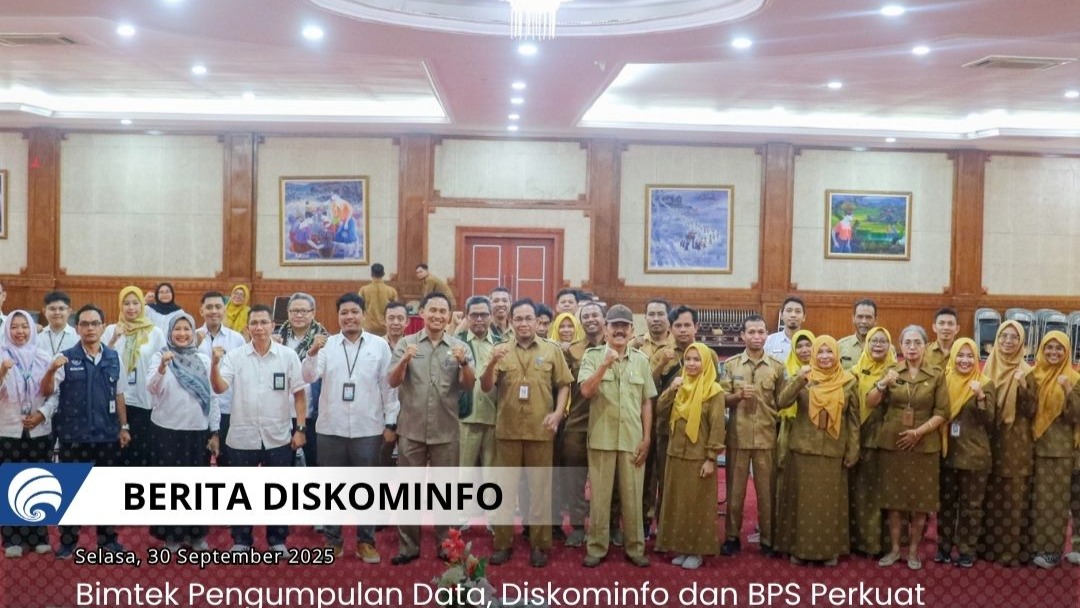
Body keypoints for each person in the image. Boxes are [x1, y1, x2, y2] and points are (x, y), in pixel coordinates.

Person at [303, 293, 397, 563]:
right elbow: (308, 376)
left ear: (363, 314)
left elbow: (388, 387)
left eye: (354, 312)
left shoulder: (379, 346)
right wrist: (312, 353)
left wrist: (391, 421)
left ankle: (366, 542)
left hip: (368, 428)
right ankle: (333, 541)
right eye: (344, 313)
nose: (349, 317)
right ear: (338, 317)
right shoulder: (326, 345)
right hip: (330, 428)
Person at [483, 299, 572, 568]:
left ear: (537, 321)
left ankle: (539, 545)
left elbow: (564, 384)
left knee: (540, 491)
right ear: (511, 322)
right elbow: (486, 386)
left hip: (541, 431)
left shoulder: (551, 350)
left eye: (528, 318)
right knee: (504, 491)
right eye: (518, 319)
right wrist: (491, 363)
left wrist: (558, 413)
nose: (524, 323)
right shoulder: (499, 350)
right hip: (508, 431)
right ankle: (502, 544)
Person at [211, 304, 306, 554]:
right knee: (241, 492)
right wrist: (214, 365)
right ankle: (241, 540)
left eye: (264, 322)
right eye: (254, 323)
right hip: (242, 435)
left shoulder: (288, 356)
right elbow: (220, 388)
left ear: (273, 325)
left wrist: (300, 428)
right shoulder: (235, 356)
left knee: (278, 491)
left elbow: (299, 395)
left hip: (278, 435)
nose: (259, 327)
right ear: (247, 328)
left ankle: (277, 540)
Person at [388, 292, 475, 564]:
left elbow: (469, 385)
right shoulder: (406, 343)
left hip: (446, 430)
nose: (437, 315)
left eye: (442, 311)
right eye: (432, 310)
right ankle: (408, 547)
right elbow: (392, 381)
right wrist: (404, 360)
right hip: (411, 429)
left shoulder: (459, 347)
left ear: (449, 316)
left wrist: (464, 363)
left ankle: (446, 546)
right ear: (422, 313)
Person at [41, 304, 131, 558]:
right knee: (71, 493)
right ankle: (68, 542)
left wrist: (124, 426)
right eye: (84, 324)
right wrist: (51, 369)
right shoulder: (65, 357)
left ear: (103, 327)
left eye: (94, 323)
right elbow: (47, 391)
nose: (90, 328)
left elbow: (119, 394)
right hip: (74, 436)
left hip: (107, 435)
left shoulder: (114, 357)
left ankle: (108, 540)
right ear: (77, 327)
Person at [578, 304, 656, 568]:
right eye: (615, 326)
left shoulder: (641, 360)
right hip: (602, 437)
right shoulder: (592, 356)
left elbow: (646, 401)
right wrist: (604, 365)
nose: (620, 330)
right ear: (606, 329)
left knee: (633, 497)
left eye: (625, 326)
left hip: (633, 439)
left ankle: (635, 548)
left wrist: (646, 437)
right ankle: (596, 547)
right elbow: (586, 392)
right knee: (600, 499)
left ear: (632, 330)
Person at [775, 335, 859, 566]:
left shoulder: (849, 381)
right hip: (803, 449)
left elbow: (853, 420)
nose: (824, 356)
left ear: (836, 354)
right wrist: (800, 380)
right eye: (819, 352)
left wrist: (853, 449)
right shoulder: (804, 377)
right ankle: (798, 549)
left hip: (833, 450)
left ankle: (829, 551)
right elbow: (782, 402)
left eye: (829, 351)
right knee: (803, 503)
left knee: (829, 504)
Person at [869, 325, 947, 571]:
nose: (912, 347)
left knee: (920, 501)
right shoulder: (891, 371)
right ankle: (894, 549)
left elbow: (943, 411)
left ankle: (913, 551)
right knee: (894, 499)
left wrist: (918, 432)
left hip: (924, 444)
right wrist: (882, 384)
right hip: (894, 444)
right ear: (900, 346)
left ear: (925, 346)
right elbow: (871, 402)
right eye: (907, 343)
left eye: (917, 343)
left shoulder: (936, 374)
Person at [147, 313, 219, 551]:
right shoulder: (160, 356)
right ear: (170, 332)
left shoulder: (203, 359)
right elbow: (152, 388)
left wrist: (215, 431)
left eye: (187, 329)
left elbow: (212, 398)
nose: (182, 333)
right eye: (177, 329)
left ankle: (196, 535)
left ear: (193, 332)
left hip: (197, 432)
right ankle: (172, 535)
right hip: (166, 431)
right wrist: (161, 367)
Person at [654, 342, 726, 570]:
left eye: (697, 359)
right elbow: (660, 411)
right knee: (678, 504)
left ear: (706, 363)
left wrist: (711, 458)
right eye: (688, 359)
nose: (692, 364)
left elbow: (717, 427)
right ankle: (682, 548)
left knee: (697, 506)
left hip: (699, 457)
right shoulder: (680, 386)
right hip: (675, 454)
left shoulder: (714, 391)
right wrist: (671, 390)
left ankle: (697, 551)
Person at [720, 314, 786, 557]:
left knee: (767, 494)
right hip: (738, 437)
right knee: (735, 494)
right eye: (751, 332)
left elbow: (783, 402)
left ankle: (768, 540)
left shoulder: (777, 367)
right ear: (742, 335)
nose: (756, 337)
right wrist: (737, 396)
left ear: (767, 335)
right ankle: (731, 538)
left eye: (761, 332)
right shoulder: (731, 365)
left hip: (766, 438)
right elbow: (721, 399)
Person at [935, 338, 996, 568]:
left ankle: (967, 550)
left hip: (974, 456)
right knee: (946, 504)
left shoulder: (984, 383)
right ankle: (943, 547)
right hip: (947, 453)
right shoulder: (944, 380)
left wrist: (980, 397)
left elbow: (991, 421)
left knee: (971, 507)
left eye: (970, 356)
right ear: (953, 356)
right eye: (960, 355)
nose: (965, 360)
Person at [979, 321, 1034, 567]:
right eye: (1003, 336)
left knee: (1012, 496)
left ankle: (1010, 552)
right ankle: (987, 549)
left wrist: (1023, 387)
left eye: (1014, 337)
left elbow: (1031, 411)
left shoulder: (1027, 371)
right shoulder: (987, 368)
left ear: (1022, 342)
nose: (1008, 341)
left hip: (1015, 442)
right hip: (989, 439)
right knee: (989, 493)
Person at [0, 310, 54, 557]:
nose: (19, 331)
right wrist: (3, 371)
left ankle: (38, 536)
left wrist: (42, 413)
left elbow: (54, 393)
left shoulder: (43, 356)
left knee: (38, 482)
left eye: (24, 326)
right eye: (14, 327)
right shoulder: (1, 355)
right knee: (11, 482)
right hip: (8, 429)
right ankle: (11, 538)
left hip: (38, 429)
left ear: (32, 329)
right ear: (7, 330)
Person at [1026, 331, 1080, 569]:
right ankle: (1036, 545)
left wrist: (1067, 390)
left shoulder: (1074, 379)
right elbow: (1026, 411)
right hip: (1031, 445)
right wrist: (1022, 387)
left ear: (1067, 352)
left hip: (1059, 450)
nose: (1053, 352)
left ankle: (1051, 551)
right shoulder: (1033, 375)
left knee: (1054, 501)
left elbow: (1075, 415)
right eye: (1049, 347)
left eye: (1059, 348)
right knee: (1037, 501)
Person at [103, 286, 166, 467]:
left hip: (144, 401)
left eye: (135, 303)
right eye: (126, 303)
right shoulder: (111, 330)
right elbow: (101, 361)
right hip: (115, 400)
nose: (131, 308)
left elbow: (162, 365)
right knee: (115, 455)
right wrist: (113, 340)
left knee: (140, 455)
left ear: (142, 305)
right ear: (120, 306)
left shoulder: (155, 333)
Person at [558, 302, 604, 548]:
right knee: (574, 479)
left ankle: (603, 527)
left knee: (605, 481)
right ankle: (577, 527)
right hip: (577, 422)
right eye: (586, 316)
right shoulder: (572, 351)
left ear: (604, 319)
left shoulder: (616, 347)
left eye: (595, 315)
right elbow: (563, 384)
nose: (590, 319)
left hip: (606, 423)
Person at [848, 326, 896, 557]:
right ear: (866, 344)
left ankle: (886, 544)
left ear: (890, 345)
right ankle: (864, 543)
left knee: (887, 493)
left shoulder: (897, 371)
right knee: (863, 493)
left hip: (890, 442)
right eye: (873, 341)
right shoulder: (855, 373)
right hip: (863, 438)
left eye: (882, 341)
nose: (878, 345)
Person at [276, 292, 328, 466]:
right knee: (283, 465)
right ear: (288, 312)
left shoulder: (325, 340)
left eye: (304, 311)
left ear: (313, 313)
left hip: (312, 413)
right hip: (281, 412)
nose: (298, 315)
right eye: (294, 311)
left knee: (315, 464)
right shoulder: (276, 338)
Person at [195, 291, 246, 467]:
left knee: (229, 463)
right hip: (200, 410)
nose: (214, 311)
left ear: (225, 310)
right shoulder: (190, 336)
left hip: (228, 409)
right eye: (209, 307)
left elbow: (242, 375)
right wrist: (194, 345)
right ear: (201, 311)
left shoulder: (237, 339)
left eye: (218, 307)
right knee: (198, 463)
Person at [358, 263, 399, 336]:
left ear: (371, 274)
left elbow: (359, 308)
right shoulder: (392, 291)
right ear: (383, 274)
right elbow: (396, 309)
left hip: (368, 327)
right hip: (385, 327)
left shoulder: (363, 290)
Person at [837, 299, 878, 370]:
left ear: (875, 320)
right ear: (853, 318)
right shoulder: (840, 346)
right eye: (860, 317)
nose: (864, 321)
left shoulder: (887, 349)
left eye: (868, 317)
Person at [764, 296, 805, 364]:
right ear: (781, 315)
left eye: (798, 311)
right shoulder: (769, 341)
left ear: (804, 317)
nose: (793, 315)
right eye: (789, 311)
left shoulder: (811, 343)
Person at [39, 291, 78, 357]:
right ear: (44, 311)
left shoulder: (78, 336)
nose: (57, 312)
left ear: (69, 312)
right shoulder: (37, 336)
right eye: (52, 309)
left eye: (61, 309)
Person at [925, 307, 960, 371]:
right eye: (941, 323)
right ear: (934, 327)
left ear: (957, 329)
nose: (946, 327)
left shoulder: (962, 351)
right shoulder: (925, 351)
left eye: (950, 324)